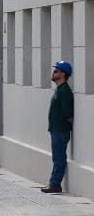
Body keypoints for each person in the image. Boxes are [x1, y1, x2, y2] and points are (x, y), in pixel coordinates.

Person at [42, 60, 75, 193]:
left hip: (61, 130)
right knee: (57, 157)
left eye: (56, 71)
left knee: (59, 157)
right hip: (56, 129)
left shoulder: (65, 91)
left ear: (63, 74)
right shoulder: (59, 90)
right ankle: (54, 183)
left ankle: (55, 183)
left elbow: (67, 113)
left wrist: (67, 124)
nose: (53, 73)